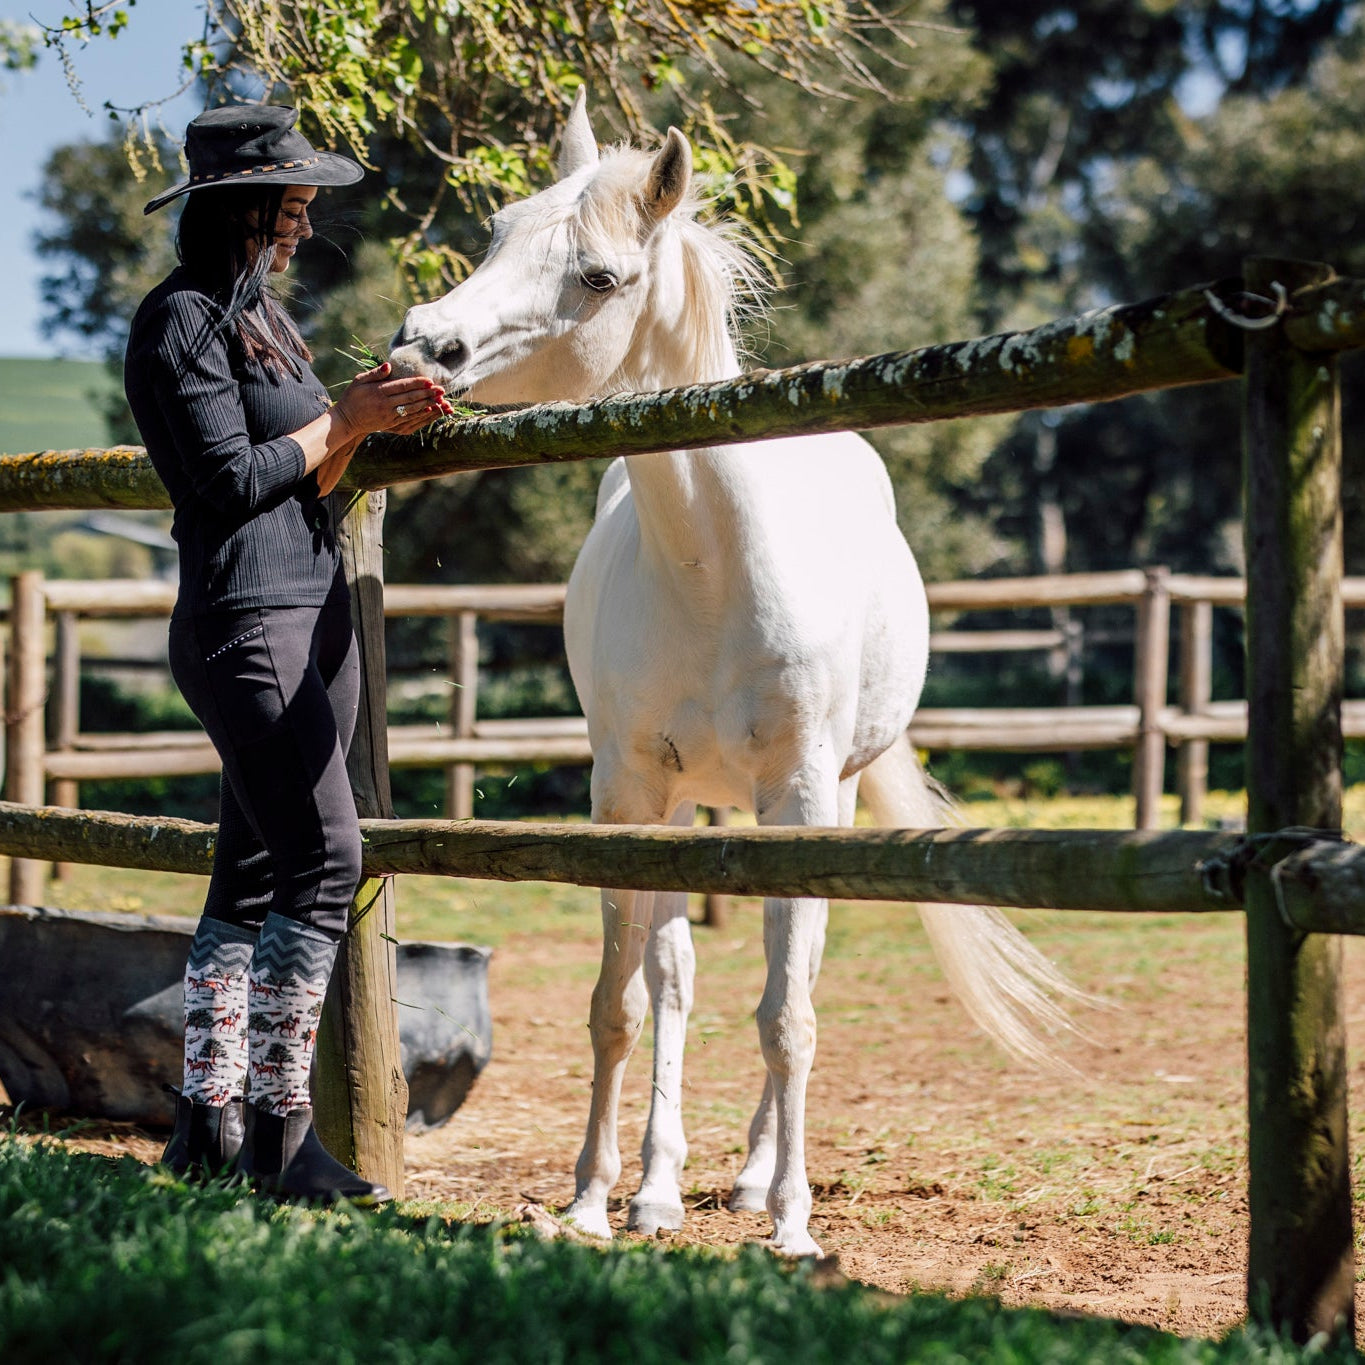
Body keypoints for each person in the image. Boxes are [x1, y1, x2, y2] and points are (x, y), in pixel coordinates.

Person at [125, 105, 453, 1204]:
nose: (307, 223)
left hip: (307, 608)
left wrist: (365, 426)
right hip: (242, 620)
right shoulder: (177, 324)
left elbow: (298, 475)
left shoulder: (262, 318)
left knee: (257, 869)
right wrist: (343, 415)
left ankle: (210, 1126)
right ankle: (283, 1140)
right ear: (242, 204)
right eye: (293, 203)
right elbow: (222, 487)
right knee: (326, 863)